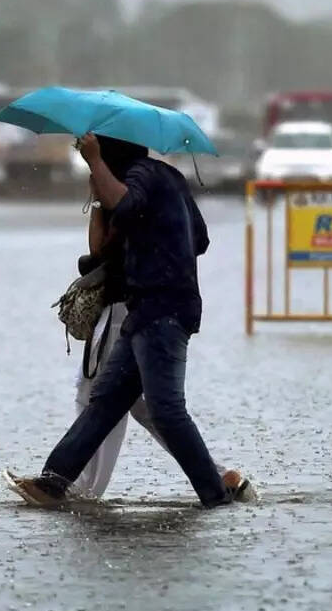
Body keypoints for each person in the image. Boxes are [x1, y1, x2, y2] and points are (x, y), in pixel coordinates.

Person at [8, 134, 240, 509]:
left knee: (165, 410)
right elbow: (199, 239)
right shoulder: (166, 179)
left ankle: (216, 495)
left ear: (111, 152)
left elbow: (125, 204)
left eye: (100, 151)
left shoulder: (142, 176)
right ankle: (52, 483)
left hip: (163, 310)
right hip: (147, 308)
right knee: (106, 401)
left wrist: (95, 162)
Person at [66, 186, 254, 501]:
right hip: (140, 307)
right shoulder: (151, 191)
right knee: (144, 405)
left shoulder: (123, 195)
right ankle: (220, 475)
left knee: (96, 394)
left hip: (124, 310)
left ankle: (80, 487)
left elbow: (99, 251)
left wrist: (97, 198)